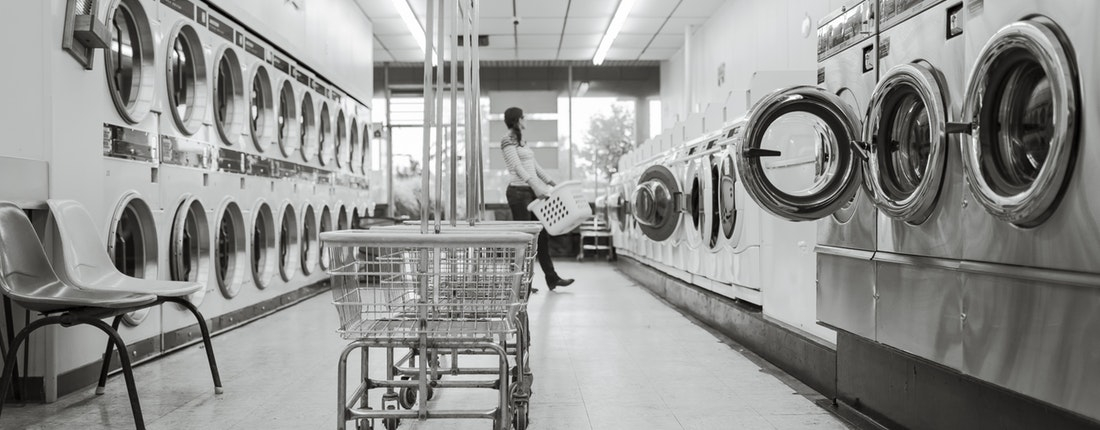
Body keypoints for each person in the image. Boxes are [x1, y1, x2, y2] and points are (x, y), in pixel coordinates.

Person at [501, 106, 574, 292]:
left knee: (541, 237)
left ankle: (552, 278)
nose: (525, 120)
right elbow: (517, 167)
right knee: (524, 240)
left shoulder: (522, 141)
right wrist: (535, 186)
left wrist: (551, 182)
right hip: (518, 193)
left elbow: (534, 166)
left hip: (531, 192)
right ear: (517, 120)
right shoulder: (507, 141)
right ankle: (520, 284)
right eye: (523, 117)